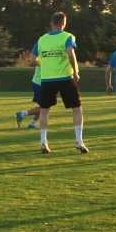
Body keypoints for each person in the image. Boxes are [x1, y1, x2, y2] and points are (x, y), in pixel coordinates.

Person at [29, 12, 87, 154]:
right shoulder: (68, 37)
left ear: (51, 22)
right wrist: (76, 71)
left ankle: (43, 142)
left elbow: (31, 60)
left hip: (47, 79)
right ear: (64, 23)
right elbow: (70, 53)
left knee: (44, 110)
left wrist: (44, 64)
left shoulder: (42, 39)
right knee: (77, 108)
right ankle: (79, 141)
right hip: (65, 77)